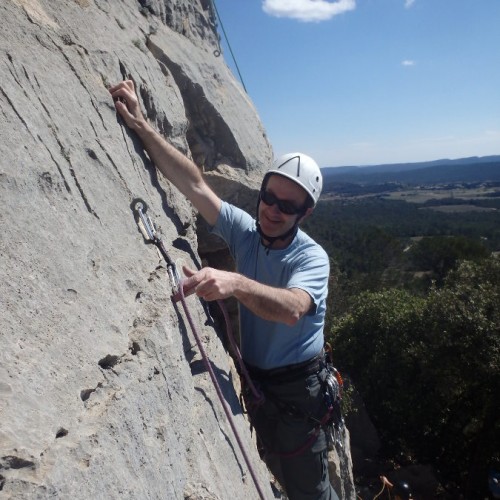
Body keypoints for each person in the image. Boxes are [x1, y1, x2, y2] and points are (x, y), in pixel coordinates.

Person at [109, 80, 339, 500]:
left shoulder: (311, 259)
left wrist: (233, 282)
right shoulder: (247, 234)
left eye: (288, 206)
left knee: (309, 491)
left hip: (298, 393)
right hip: (260, 382)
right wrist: (143, 126)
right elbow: (195, 185)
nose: (273, 209)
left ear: (304, 213)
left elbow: (292, 308)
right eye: (270, 196)